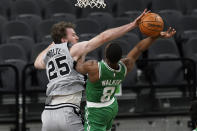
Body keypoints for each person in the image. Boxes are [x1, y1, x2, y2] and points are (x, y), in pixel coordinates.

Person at [34, 9, 149, 131]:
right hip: (66, 109)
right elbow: (104, 37)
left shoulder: (49, 56)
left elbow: (37, 63)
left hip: (48, 113)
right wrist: (132, 25)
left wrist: (53, 44)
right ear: (64, 40)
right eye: (73, 35)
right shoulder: (73, 49)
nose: (77, 37)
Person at [75, 27, 176, 131]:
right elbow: (139, 48)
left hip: (96, 110)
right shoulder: (125, 66)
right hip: (111, 106)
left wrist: (80, 49)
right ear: (120, 57)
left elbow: (77, 67)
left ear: (105, 54)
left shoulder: (94, 67)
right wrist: (157, 36)